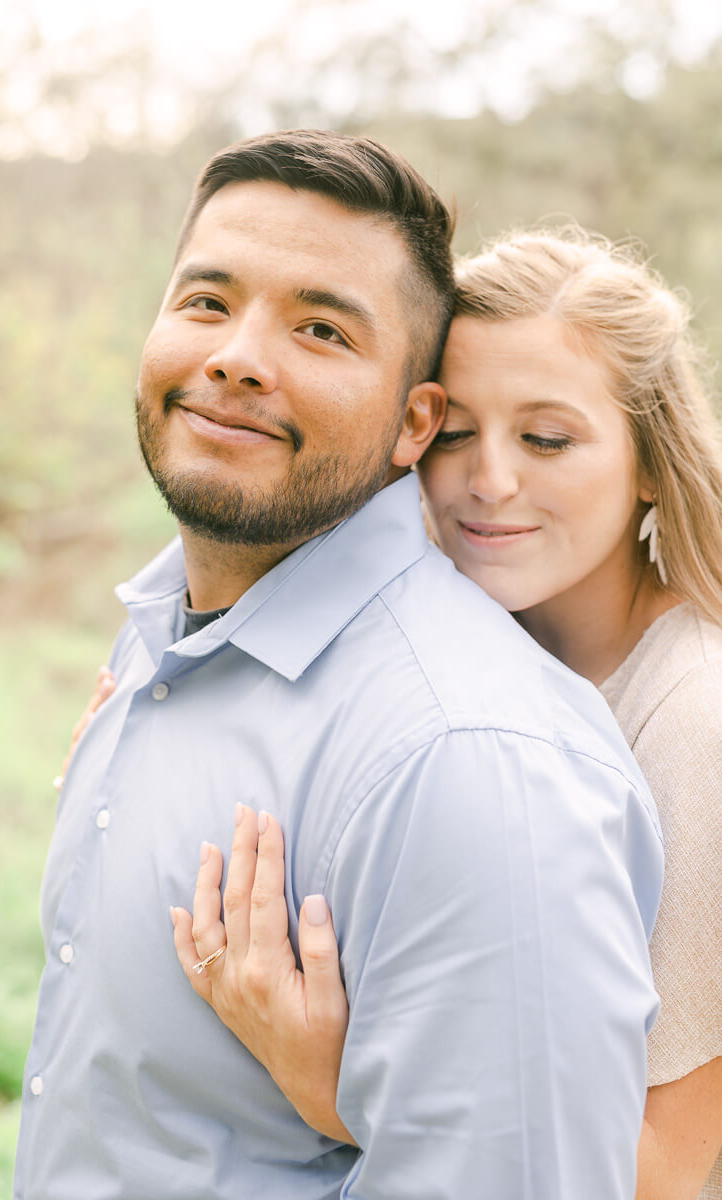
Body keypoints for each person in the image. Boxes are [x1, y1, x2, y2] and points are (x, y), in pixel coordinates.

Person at [20, 136, 663, 1200]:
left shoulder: (468, 758)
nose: (237, 356)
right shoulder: (158, 635)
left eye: (321, 328)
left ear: (416, 423)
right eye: (208, 301)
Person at [160, 228, 722, 1199]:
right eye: (455, 432)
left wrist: (329, 1077)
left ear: (644, 460)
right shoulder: (465, 668)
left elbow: (658, 1171)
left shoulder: (694, 723)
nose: (491, 480)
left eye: (547, 438)